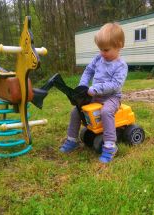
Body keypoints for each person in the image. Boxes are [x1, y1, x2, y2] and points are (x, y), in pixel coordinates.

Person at [59, 22, 128, 163]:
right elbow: (88, 71)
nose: (102, 53)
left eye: (106, 50)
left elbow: (115, 85)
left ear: (119, 45)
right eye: (100, 49)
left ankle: (110, 146)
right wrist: (83, 84)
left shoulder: (121, 65)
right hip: (94, 95)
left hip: (111, 97)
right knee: (76, 111)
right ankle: (72, 139)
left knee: (106, 112)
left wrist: (96, 89)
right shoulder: (98, 58)